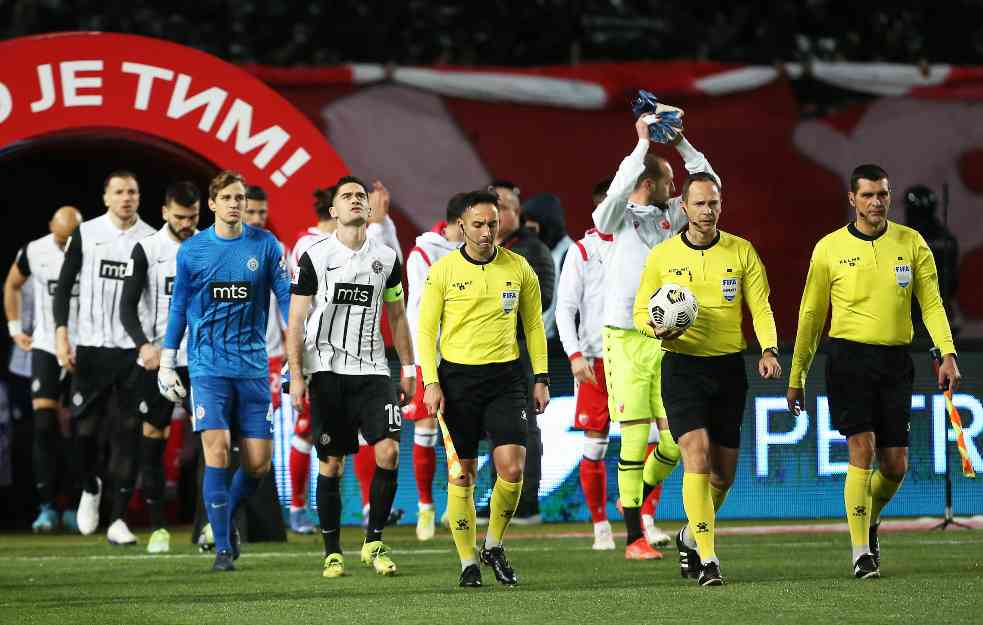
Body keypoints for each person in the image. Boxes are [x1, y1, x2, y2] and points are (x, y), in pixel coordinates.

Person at [787, 164, 961, 579]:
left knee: (895, 465)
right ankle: (861, 551)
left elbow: (932, 305)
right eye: (867, 195)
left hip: (896, 361)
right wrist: (797, 375)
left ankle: (870, 519)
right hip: (848, 358)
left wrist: (948, 353)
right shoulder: (829, 248)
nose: (876, 202)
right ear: (852, 199)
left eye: (882, 194)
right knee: (861, 449)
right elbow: (811, 315)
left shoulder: (912, 242)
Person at [634, 172, 780, 586]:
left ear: (721, 205)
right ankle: (708, 557)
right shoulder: (662, 256)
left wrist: (768, 349)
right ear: (683, 207)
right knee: (694, 455)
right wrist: (656, 330)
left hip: (728, 368)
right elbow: (641, 312)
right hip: (682, 367)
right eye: (699, 203)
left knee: (723, 475)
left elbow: (762, 308)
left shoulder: (742, 251)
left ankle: (687, 535)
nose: (707, 210)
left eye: (713, 203)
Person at [593, 113, 719, 560]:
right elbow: (608, 202)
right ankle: (633, 536)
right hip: (625, 340)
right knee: (631, 439)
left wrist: (683, 145)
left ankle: (633, 495)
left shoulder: (672, 216)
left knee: (670, 442)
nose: (677, 189)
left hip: (665, 340)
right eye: (669, 181)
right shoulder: (618, 217)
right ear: (649, 183)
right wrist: (641, 145)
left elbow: (709, 182)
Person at [159, 170, 291, 572]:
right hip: (207, 368)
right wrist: (167, 360)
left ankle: (225, 520)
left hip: (252, 368)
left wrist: (295, 353)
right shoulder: (193, 251)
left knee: (257, 465)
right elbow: (179, 307)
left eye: (242, 198)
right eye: (230, 198)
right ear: (213, 205)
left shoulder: (266, 245)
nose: (237, 204)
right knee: (216, 452)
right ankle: (221, 548)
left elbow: (286, 299)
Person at [417, 190, 550, 588]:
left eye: (492, 223)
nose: (487, 231)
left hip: (506, 379)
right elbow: (426, 332)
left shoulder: (519, 268)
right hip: (457, 381)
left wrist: (541, 378)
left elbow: (533, 326)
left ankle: (493, 544)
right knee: (462, 476)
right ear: (462, 226)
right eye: (478, 224)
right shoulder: (442, 271)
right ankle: (467, 561)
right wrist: (430, 381)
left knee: (512, 468)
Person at [286, 175, 416, 579]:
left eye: (361, 196)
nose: (356, 201)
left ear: (369, 208)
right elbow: (296, 318)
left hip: (373, 368)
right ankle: (331, 551)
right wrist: (296, 375)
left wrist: (408, 367)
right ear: (334, 211)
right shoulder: (314, 256)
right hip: (325, 370)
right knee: (332, 463)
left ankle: (374, 541)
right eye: (348, 197)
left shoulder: (387, 259)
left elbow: (397, 314)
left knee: (389, 452)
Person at [54, 171, 157, 543]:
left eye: (133, 191)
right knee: (84, 434)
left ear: (139, 197)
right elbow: (64, 286)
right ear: (106, 198)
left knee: (128, 434)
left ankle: (117, 519)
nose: (127, 197)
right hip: (92, 348)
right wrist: (62, 334)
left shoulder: (151, 238)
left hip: (133, 352)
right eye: (119, 191)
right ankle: (91, 485)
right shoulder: (87, 233)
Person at [119, 182, 199, 554]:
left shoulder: (209, 246)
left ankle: (206, 528)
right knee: (153, 440)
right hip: (160, 362)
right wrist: (144, 346)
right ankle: (159, 529)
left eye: (193, 217)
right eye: (180, 217)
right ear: (165, 212)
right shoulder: (147, 249)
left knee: (211, 443)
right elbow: (127, 306)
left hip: (201, 360)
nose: (186, 224)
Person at [242, 184, 314, 534]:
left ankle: (290, 510)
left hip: (272, 358)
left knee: (283, 435)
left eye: (261, 212)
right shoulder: (215, 248)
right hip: (234, 360)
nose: (257, 219)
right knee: (242, 441)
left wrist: (293, 350)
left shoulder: (279, 250)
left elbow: (291, 306)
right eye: (250, 211)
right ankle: (238, 513)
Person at [4, 206, 82, 532]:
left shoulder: (92, 247)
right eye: (62, 238)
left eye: (72, 239)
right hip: (47, 346)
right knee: (44, 425)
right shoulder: (34, 250)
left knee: (83, 430)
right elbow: (12, 285)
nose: (66, 246)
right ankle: (47, 506)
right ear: (51, 227)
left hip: (85, 348)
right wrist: (14, 327)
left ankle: (80, 506)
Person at [404, 192, 466, 540]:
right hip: (431, 354)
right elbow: (421, 307)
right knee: (426, 430)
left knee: (459, 434)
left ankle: (454, 504)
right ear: (460, 223)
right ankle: (425, 507)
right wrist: (421, 361)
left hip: (465, 354)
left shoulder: (478, 255)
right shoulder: (424, 253)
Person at [492, 181, 553, 525]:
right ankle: (498, 498)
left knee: (525, 425)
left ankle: (527, 503)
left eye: (503, 208)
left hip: (520, 349)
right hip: (484, 351)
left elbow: (542, 298)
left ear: (517, 213)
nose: (495, 216)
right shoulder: (479, 253)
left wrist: (494, 315)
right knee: (493, 426)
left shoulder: (533, 249)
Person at [555, 226, 616, 549]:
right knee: (595, 446)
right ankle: (600, 525)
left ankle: (645, 518)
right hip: (595, 361)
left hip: (636, 356)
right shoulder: (583, 250)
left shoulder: (646, 238)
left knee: (657, 439)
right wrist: (575, 353)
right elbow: (565, 307)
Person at [904, 185, 960, 334]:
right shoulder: (947, 238)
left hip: (913, 315)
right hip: (939, 312)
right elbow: (953, 281)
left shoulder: (903, 240)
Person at [522, 193, 574, 339]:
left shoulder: (569, 255)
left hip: (558, 350)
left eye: (532, 228)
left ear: (547, 226)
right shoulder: (541, 253)